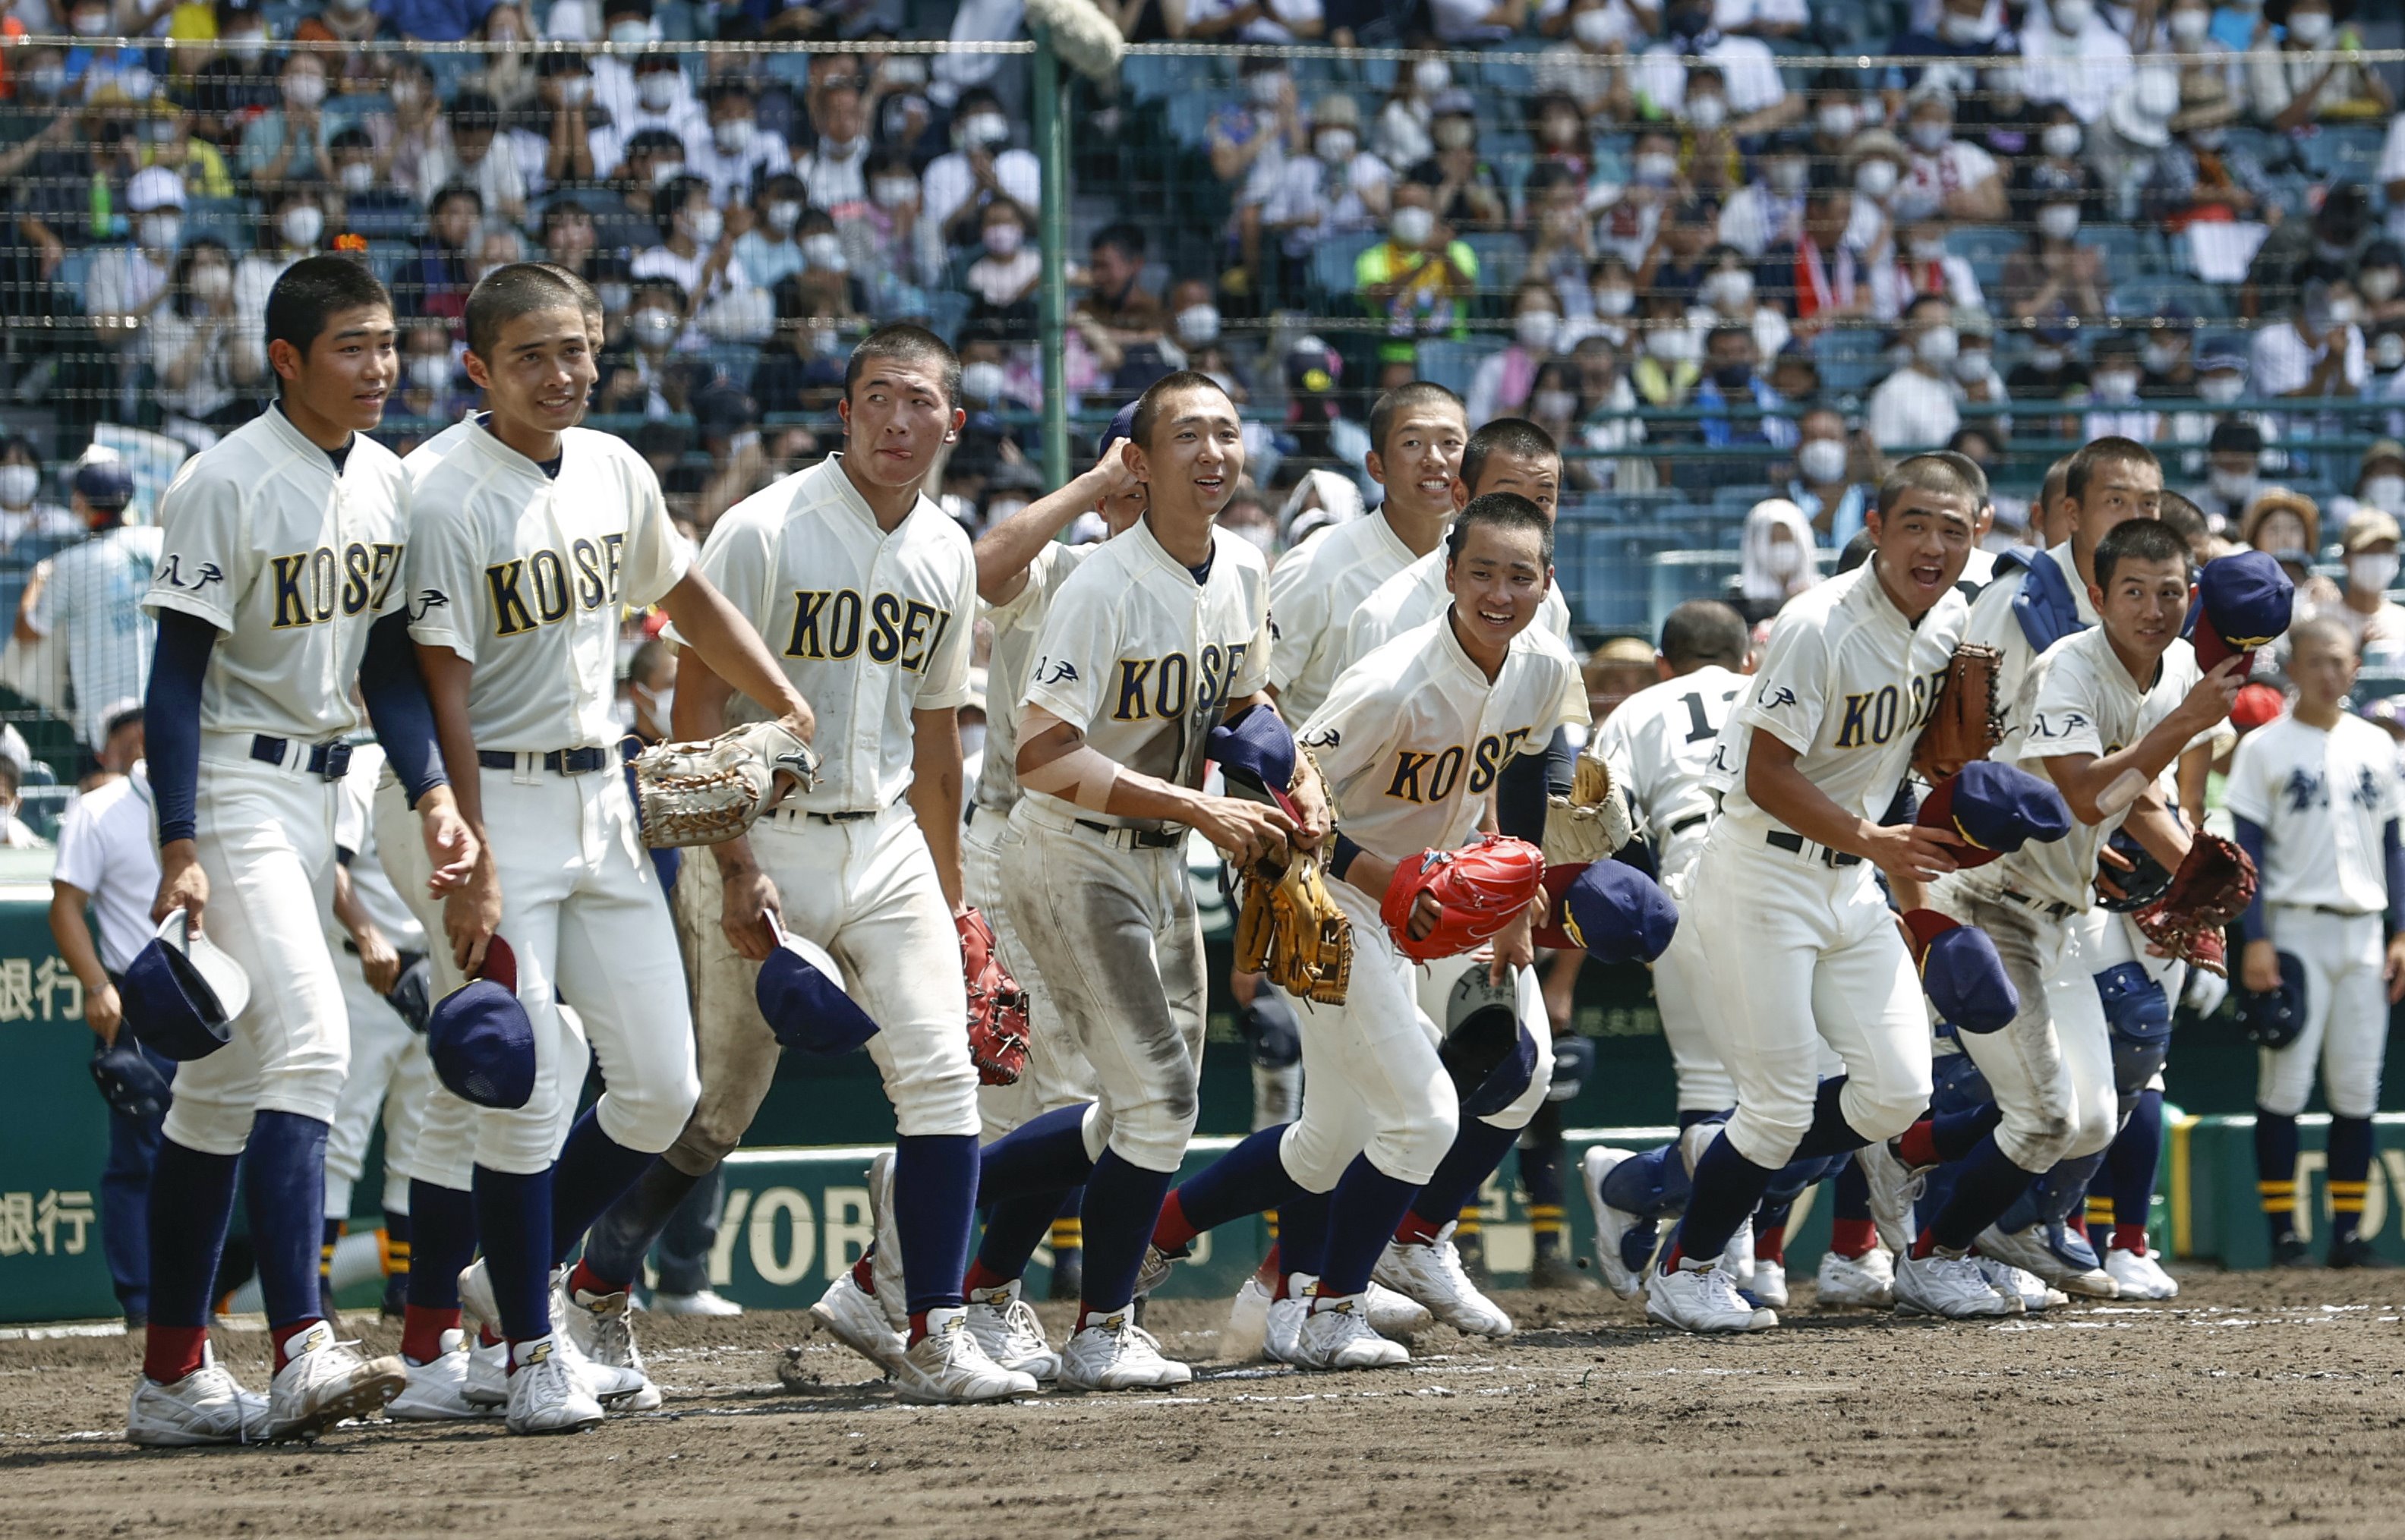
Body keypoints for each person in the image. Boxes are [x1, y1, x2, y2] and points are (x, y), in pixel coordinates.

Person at [568, 323, 1034, 1407]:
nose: (898, 420)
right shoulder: (764, 528)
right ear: (844, 412)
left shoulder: (949, 551)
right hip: (761, 831)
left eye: (920, 401)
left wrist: (956, 901)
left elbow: (934, 742)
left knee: (941, 1080)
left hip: (883, 839)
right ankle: (592, 1289)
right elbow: (694, 706)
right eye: (877, 397)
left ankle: (933, 1328)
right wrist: (729, 862)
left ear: (953, 423)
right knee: (717, 1106)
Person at [402, 264, 812, 1434]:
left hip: (606, 798)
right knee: (527, 1083)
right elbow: (445, 693)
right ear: (477, 367)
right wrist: (471, 846)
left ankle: (505, 1273)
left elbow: (682, 594)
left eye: (579, 349)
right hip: (502, 805)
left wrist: (777, 693)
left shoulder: (616, 465)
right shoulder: (440, 490)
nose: (565, 373)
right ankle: (527, 1348)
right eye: (533, 355)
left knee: (660, 1088)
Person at [125, 256, 474, 1447]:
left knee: (220, 1093)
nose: (382, 367)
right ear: (287, 359)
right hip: (229, 777)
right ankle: (301, 1347)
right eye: (353, 348)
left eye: (388, 344)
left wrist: (427, 786)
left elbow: (385, 663)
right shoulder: (220, 481)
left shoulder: (387, 480)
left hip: (325, 783)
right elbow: (173, 677)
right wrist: (178, 839)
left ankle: (173, 1376)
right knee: (314, 1040)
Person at [1140, 492, 1586, 1369]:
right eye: (1482, 572)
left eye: (1519, 576)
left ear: (1547, 581)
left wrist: (1514, 897)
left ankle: (1157, 1231)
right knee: (1423, 1117)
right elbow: (1284, 793)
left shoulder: (1537, 664)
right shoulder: (1392, 682)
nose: (1500, 591)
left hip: (1432, 892)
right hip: (1335, 897)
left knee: (1328, 1140)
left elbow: (1529, 763)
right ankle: (1333, 1313)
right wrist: (1384, 880)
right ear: (1449, 574)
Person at [946, 370, 1325, 1390]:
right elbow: (1041, 752)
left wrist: (1296, 776)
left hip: (1161, 855)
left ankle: (929, 1209)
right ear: (1141, 461)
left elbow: (1245, 707)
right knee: (1144, 1099)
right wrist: (1204, 806)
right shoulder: (1093, 579)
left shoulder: (1243, 566)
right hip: (1064, 845)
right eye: (1185, 436)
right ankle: (1092, 1323)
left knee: (1143, 1106)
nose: (1212, 453)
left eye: (1228, 433)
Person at [1644, 453, 1981, 1334]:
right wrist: (1876, 841)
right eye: (1916, 524)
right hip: (1761, 867)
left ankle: (1700, 1164)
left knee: (1897, 1093)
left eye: (1955, 528)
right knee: (1783, 1101)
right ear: (1875, 528)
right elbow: (1764, 772)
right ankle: (1686, 1264)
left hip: (1850, 879)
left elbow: (1922, 765)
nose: (1935, 544)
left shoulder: (1953, 629)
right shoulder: (1817, 622)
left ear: (1978, 534)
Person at [1909, 518, 2236, 1316]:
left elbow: (2145, 790)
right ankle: (1933, 1252)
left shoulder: (2177, 670)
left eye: (2169, 593)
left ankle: (1920, 1157)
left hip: (2061, 913)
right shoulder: (2070, 664)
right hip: (1988, 900)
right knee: (2047, 1115)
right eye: (2133, 591)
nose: (2153, 609)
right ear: (2098, 596)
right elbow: (2087, 792)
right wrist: (2185, 724)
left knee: (2091, 1120)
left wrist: (2187, 867)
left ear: (2190, 598)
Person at [955, 418, 1149, 1321]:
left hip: (1127, 859)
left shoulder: (1208, 584)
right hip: (1018, 836)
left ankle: (966, 1283)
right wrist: (1090, 485)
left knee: (1106, 1094)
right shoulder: (1064, 570)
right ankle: (949, 1287)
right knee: (1023, 1089)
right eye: (1137, 470)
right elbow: (983, 572)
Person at [2230, 616, 2405, 1269]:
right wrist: (2255, 937)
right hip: (2293, 927)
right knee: (2286, 1082)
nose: (2330, 673)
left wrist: (2401, 933)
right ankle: (2283, 1233)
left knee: (2358, 1087)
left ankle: (2349, 1233)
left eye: (2340, 661)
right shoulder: (2265, 747)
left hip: (2363, 929)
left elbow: (2394, 845)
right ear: (2294, 667)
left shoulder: (2378, 745)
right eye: (2317, 661)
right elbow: (2246, 850)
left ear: (2356, 666)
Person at [49, 706, 160, 1329]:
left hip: (214, 996)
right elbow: (65, 909)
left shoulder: (219, 796)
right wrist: (97, 986)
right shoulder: (99, 809)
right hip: (136, 997)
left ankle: (198, 1299)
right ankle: (143, 1305)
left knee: (214, 1149)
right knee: (138, 1158)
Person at [16, 460, 163, 761]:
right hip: (162, 708)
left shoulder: (69, 565)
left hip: (104, 726)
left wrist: (37, 581)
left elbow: (29, 631)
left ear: (81, 501)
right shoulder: (157, 541)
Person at [1866, 294, 1965, 452]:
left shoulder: (1953, 387)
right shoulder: (1893, 393)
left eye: (1946, 326)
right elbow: (1888, 462)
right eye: (1931, 327)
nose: (1942, 334)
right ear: (1908, 335)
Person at [1729, 496, 1819, 623]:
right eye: (1774, 539)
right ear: (1756, 543)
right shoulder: (1737, 602)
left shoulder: (1822, 595)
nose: (1781, 547)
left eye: (1787, 539)